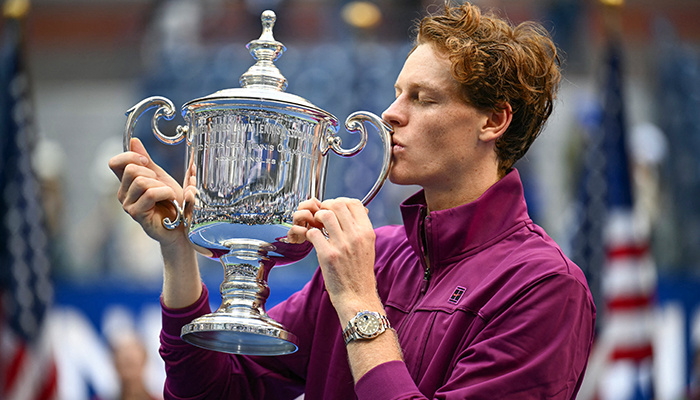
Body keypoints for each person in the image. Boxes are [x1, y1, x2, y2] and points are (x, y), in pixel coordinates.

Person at [109, 2, 596, 399]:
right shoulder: (374, 254)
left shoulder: (545, 286)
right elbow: (213, 391)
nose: (390, 114)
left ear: (493, 122)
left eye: (422, 99)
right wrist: (177, 251)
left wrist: (360, 301)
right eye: (396, 94)